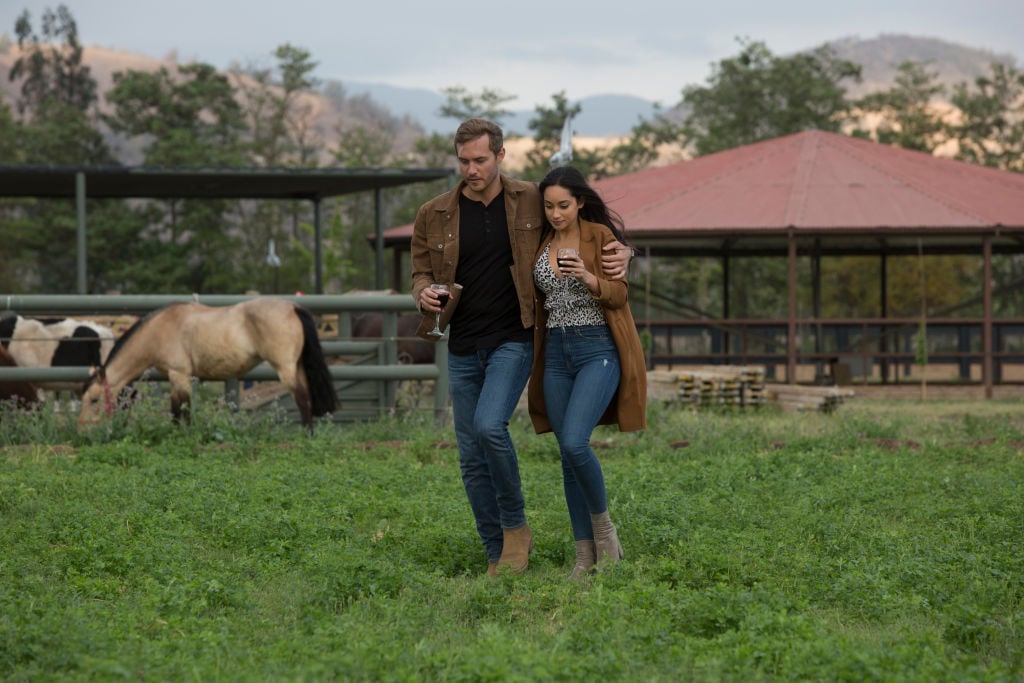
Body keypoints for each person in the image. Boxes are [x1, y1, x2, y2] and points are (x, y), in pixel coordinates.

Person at [411, 118, 632, 577]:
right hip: (462, 343)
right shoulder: (434, 213)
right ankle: (497, 550)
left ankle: (516, 527)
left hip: (515, 338)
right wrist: (423, 293)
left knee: (490, 426)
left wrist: (627, 250)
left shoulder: (530, 198)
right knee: (471, 454)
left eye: (480, 160)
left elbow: (583, 219)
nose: (471, 169)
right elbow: (420, 271)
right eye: (463, 161)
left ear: (500, 155)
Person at [526, 165, 647, 580]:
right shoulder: (540, 241)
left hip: (598, 347)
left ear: (579, 202)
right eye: (548, 206)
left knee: (576, 442)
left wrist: (589, 276)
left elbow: (618, 295)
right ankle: (584, 558)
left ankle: (605, 532)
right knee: (565, 456)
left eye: (563, 205)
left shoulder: (600, 237)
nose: (556, 213)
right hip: (556, 353)